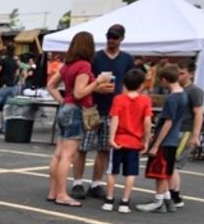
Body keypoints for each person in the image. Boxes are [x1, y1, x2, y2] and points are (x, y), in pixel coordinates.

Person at [71, 24, 135, 200]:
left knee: (104, 148)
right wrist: (96, 89)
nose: (111, 40)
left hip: (113, 110)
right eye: (109, 37)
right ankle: (77, 182)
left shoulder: (127, 59)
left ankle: (96, 183)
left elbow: (131, 83)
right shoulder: (95, 58)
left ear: (122, 39)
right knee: (83, 147)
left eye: (114, 37)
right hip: (92, 108)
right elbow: (84, 82)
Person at [46, 32, 109, 206]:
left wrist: (62, 101)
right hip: (76, 110)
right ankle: (61, 194)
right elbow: (79, 93)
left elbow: (51, 85)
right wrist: (98, 82)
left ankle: (53, 191)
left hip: (66, 108)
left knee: (59, 154)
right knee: (68, 155)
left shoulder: (67, 65)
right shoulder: (84, 65)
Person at [136, 64, 189, 213]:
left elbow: (168, 122)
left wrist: (155, 144)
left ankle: (158, 200)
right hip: (173, 139)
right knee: (167, 171)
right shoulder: (183, 94)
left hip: (166, 140)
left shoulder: (172, 98)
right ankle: (166, 198)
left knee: (160, 172)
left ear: (165, 80)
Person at [102, 67, 152, 214]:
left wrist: (111, 138)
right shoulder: (145, 101)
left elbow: (114, 119)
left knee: (112, 171)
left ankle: (109, 199)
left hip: (119, 139)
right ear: (142, 85)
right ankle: (125, 201)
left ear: (124, 83)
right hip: (134, 141)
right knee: (130, 173)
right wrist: (146, 140)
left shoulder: (119, 99)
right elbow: (147, 122)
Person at [168, 59, 204, 209]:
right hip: (177, 130)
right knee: (171, 164)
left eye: (182, 73)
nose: (179, 76)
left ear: (191, 73)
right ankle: (173, 194)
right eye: (178, 73)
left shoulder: (194, 91)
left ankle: (174, 196)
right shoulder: (177, 89)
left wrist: (195, 135)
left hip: (185, 131)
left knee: (172, 164)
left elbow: (198, 113)